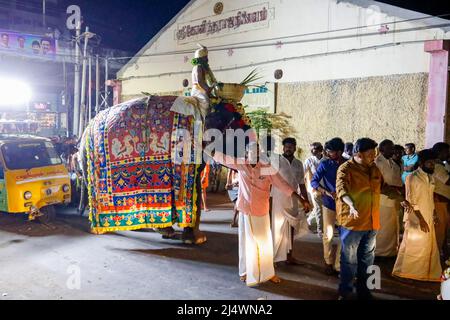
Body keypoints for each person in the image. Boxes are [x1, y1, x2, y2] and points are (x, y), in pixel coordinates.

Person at [212, 143, 310, 287]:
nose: (254, 153)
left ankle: (267, 273)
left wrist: (301, 199)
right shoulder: (241, 165)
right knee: (248, 243)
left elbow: (283, 184)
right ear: (246, 153)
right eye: (251, 151)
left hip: (262, 210)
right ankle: (246, 272)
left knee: (265, 243)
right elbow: (223, 158)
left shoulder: (266, 168)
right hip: (247, 210)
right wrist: (207, 147)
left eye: (257, 151)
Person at [336, 138, 382, 300]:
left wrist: (400, 197)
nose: (374, 157)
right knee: (349, 261)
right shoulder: (345, 169)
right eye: (370, 154)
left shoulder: (374, 168)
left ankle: (365, 291)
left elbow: (383, 186)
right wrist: (352, 205)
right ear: (358, 154)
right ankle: (345, 292)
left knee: (367, 259)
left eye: (375, 154)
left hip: (372, 222)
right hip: (353, 223)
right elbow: (341, 190)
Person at [392, 149, 442, 282]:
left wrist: (434, 214)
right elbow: (411, 200)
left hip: (428, 214)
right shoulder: (412, 177)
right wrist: (421, 220)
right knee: (413, 245)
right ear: (421, 163)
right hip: (415, 216)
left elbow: (430, 198)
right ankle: (406, 273)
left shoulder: (430, 177)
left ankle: (423, 273)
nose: (432, 166)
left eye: (433, 163)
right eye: (429, 163)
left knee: (426, 245)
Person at [271, 137, 311, 265]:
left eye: (291, 146)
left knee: (291, 227)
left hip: (294, 199)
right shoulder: (276, 160)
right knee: (277, 227)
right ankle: (273, 257)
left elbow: (301, 184)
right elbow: (270, 181)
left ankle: (289, 255)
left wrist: (305, 200)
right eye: (286, 146)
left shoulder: (299, 164)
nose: (288, 148)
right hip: (278, 199)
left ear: (295, 148)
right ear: (283, 148)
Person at [311, 137, 346, 276]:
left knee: (345, 235)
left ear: (339, 151)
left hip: (345, 204)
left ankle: (339, 264)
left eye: (331, 151)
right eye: (328, 151)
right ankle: (328, 262)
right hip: (329, 203)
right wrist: (325, 192)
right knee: (328, 235)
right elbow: (314, 182)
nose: (328, 153)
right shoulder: (325, 164)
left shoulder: (348, 164)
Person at [374, 139, 403, 258]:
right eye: (390, 148)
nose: (393, 150)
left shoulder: (392, 162)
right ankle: (379, 253)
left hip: (394, 198)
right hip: (382, 199)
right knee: (382, 228)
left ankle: (391, 251)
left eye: (393, 148)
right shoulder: (377, 163)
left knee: (392, 227)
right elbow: (378, 184)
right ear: (381, 150)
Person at [431, 142, 450, 258]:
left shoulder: (442, 165)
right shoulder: (437, 167)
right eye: (446, 151)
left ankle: (442, 252)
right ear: (439, 152)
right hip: (439, 202)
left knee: (443, 230)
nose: (448, 154)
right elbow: (447, 181)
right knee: (439, 230)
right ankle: (435, 256)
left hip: (443, 202)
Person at [304, 142, 324, 236]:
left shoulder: (325, 160)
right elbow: (303, 173)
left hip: (327, 189)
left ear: (320, 150)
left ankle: (307, 221)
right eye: (311, 149)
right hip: (315, 189)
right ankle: (320, 230)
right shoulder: (309, 160)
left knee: (319, 209)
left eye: (314, 149)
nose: (312, 151)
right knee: (319, 209)